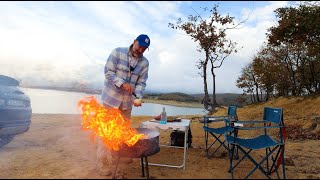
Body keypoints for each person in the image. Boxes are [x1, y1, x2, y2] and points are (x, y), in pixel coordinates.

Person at [96, 34, 151, 176]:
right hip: (110, 100)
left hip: (127, 104)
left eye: (144, 49)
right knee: (106, 133)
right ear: (134, 42)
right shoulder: (117, 52)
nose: (141, 51)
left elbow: (141, 83)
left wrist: (137, 97)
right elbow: (108, 72)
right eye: (140, 46)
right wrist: (122, 83)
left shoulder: (144, 63)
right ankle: (102, 162)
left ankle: (117, 155)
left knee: (122, 132)